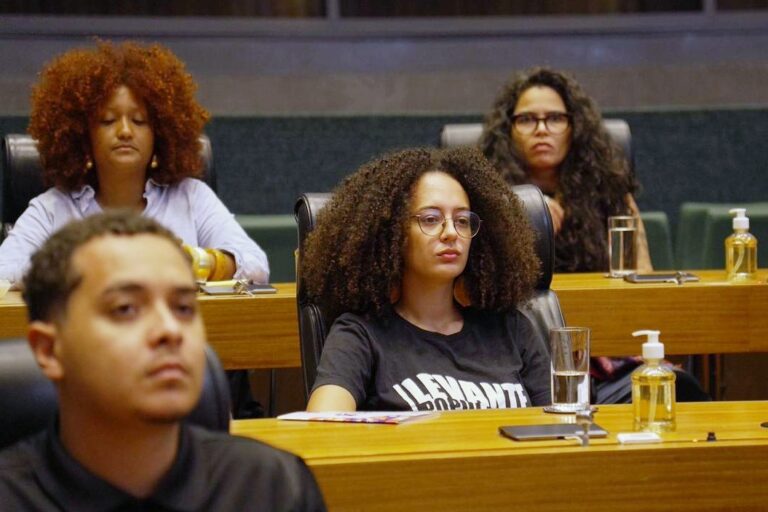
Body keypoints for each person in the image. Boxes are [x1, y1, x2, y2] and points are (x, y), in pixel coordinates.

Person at [0, 211, 326, 510]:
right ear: (49, 350)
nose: (170, 330)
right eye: (125, 309)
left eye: (183, 308)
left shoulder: (272, 487)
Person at [480, 67, 709, 402]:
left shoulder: (612, 196)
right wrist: (524, 209)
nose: (541, 129)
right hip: (517, 356)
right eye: (527, 119)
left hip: (608, 350)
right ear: (508, 130)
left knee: (675, 388)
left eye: (555, 118)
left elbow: (643, 282)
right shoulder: (483, 199)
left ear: (575, 127)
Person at [0, 40, 268, 286]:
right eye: (108, 121)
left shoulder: (191, 197)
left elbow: (256, 265)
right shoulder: (52, 208)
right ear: (83, 134)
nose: (125, 131)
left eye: (139, 121)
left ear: (159, 134)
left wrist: (196, 261)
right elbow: (4, 270)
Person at [304, 147, 551, 412]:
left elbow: (564, 427)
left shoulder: (512, 329)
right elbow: (322, 428)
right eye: (431, 219)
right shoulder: (359, 335)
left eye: (463, 220)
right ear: (392, 233)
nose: (451, 233)